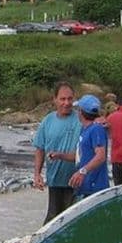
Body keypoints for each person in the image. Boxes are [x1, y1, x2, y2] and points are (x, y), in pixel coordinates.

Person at [32, 82, 81, 223]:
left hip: (76, 182)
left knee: (72, 220)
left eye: (70, 99)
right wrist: (37, 174)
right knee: (53, 220)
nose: (66, 103)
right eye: (62, 99)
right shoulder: (47, 121)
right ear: (54, 99)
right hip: (55, 180)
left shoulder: (81, 119)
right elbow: (40, 149)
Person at [68, 95, 110, 198]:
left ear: (81, 112)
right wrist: (59, 155)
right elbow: (81, 156)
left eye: (78, 109)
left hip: (95, 188)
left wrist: (82, 172)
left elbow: (100, 156)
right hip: (85, 186)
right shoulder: (85, 129)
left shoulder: (96, 129)